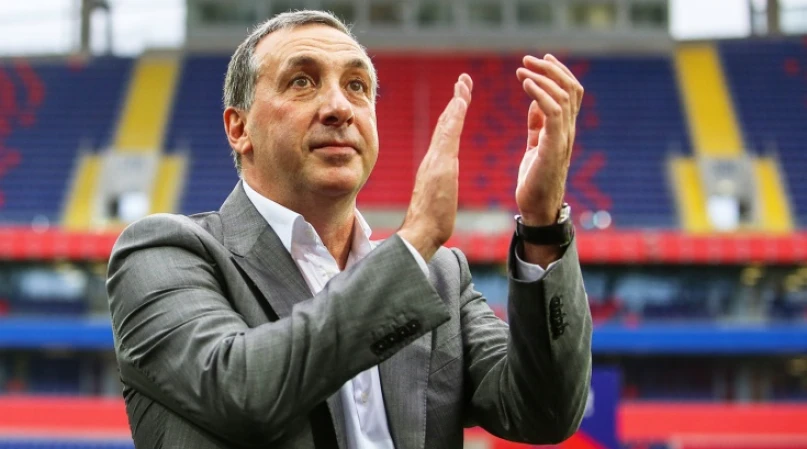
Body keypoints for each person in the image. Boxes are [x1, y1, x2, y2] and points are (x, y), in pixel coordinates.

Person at [106, 9, 592, 449]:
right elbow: (242, 390)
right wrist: (414, 243)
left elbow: (545, 412)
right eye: (302, 81)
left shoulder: (441, 276)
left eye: (357, 86)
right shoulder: (163, 252)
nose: (339, 107)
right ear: (239, 128)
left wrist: (542, 226)